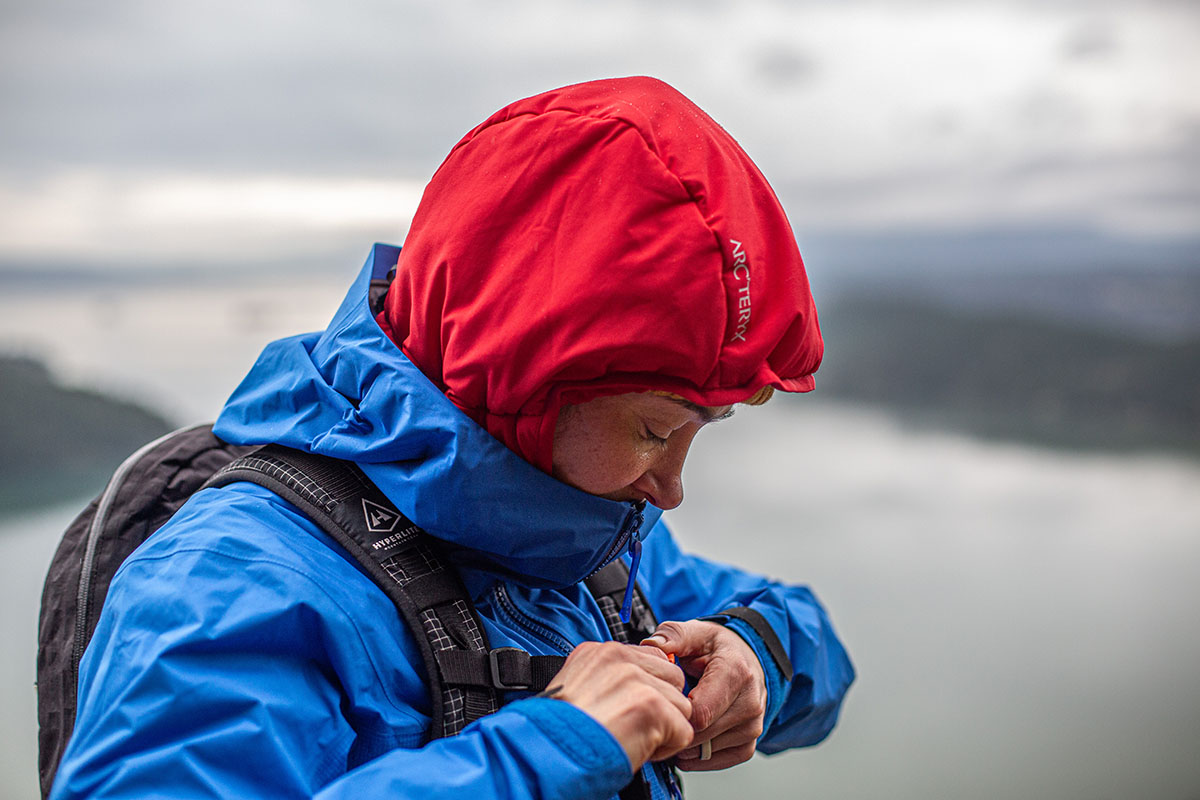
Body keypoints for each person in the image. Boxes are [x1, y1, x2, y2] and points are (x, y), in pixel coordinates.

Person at [51, 77, 854, 799]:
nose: (672, 487)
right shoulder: (230, 587)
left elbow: (810, 637)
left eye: (695, 432)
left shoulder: (582, 541)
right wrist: (555, 750)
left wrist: (759, 657)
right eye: (654, 430)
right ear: (524, 374)